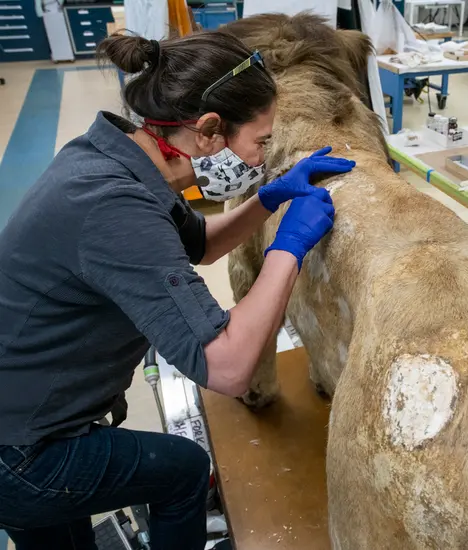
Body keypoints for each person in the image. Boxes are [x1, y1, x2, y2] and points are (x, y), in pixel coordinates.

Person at [0, 31, 355, 550]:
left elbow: (200, 245)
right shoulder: (114, 206)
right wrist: (290, 246)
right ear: (209, 130)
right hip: (22, 451)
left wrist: (270, 199)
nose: (260, 161)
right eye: (260, 142)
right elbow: (229, 368)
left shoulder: (116, 159)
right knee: (184, 471)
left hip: (25, 414)